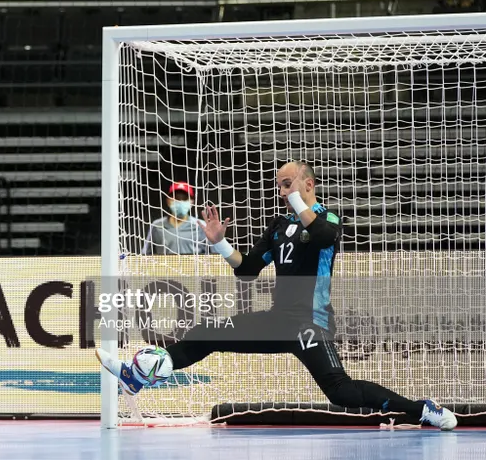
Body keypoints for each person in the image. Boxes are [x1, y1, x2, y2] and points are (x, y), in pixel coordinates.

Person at [98, 160, 458, 431]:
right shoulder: (278, 226)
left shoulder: (328, 220)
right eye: (279, 186)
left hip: (310, 325)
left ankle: (422, 409)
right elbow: (247, 270)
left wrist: (297, 200)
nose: (282, 190)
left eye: (288, 184)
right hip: (276, 320)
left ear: (308, 184)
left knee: (341, 393)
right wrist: (220, 243)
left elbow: (317, 236)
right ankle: (139, 375)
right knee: (206, 333)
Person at [140, 181, 210, 255]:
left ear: (192, 201)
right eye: (176, 198)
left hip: (195, 266)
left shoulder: (201, 226)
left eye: (184, 199)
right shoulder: (157, 226)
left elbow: (215, 255)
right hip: (164, 266)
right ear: (168, 200)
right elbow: (145, 255)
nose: (180, 202)